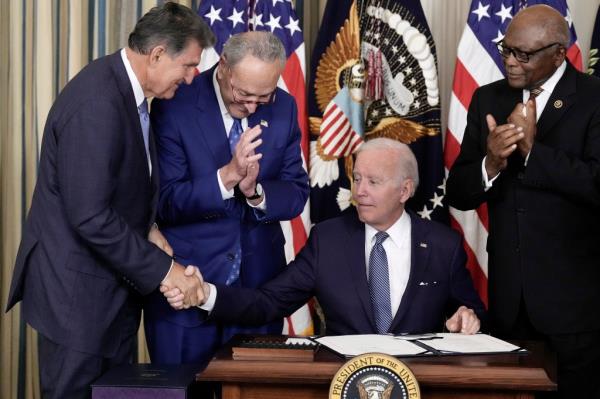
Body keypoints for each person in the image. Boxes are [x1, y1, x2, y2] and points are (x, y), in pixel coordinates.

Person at [5, 3, 215, 399]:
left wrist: (149, 227)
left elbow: (116, 185)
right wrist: (165, 270)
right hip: (76, 303)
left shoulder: (126, 92)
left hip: (105, 297)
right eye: (188, 65)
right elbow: (90, 216)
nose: (191, 79)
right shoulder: (98, 103)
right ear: (156, 55)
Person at [166, 138, 485, 336]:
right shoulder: (328, 240)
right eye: (357, 178)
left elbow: (469, 313)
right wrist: (206, 293)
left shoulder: (443, 245)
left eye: (373, 181)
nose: (360, 191)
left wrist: (467, 319)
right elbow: (268, 302)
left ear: (405, 190)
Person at [446, 5, 600, 398]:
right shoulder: (487, 99)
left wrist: (533, 152)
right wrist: (491, 162)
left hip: (574, 307)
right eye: (506, 50)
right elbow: (459, 193)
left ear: (558, 53)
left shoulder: (592, 98)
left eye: (524, 55)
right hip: (509, 303)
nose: (511, 63)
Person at [143, 31, 309, 365]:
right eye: (244, 93)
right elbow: (165, 202)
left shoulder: (284, 106)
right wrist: (226, 178)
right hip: (186, 291)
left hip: (256, 295)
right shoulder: (175, 101)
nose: (251, 106)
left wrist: (255, 192)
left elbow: (296, 193)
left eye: (262, 98)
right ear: (223, 68)